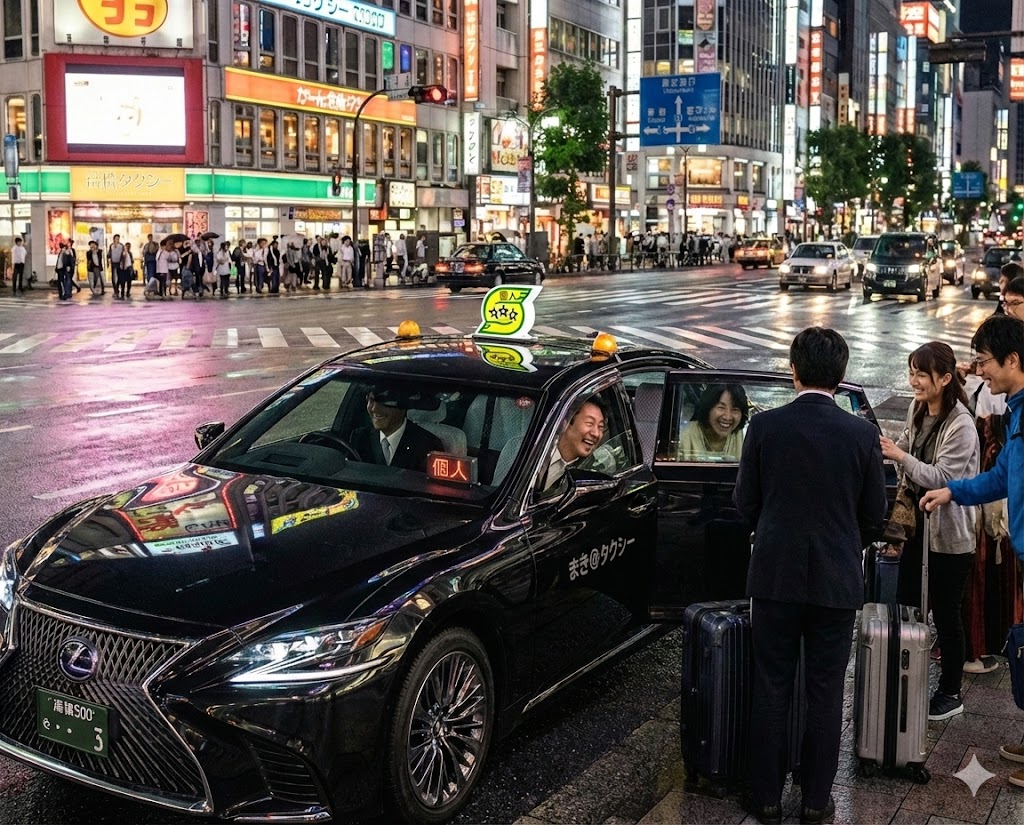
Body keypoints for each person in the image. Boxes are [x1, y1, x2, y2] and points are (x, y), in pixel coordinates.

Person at [734, 327, 888, 825]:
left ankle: (767, 798)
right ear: (841, 378)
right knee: (826, 692)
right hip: (837, 580)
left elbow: (745, 502)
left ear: (793, 370)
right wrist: (846, 545)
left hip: (775, 576)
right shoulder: (862, 434)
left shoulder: (765, 427)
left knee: (772, 685)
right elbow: (874, 514)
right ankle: (818, 801)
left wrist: (774, 532)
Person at [920, 314, 1024, 789]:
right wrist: (954, 493)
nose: (980, 371)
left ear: (1014, 360)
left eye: (985, 362)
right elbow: (1002, 477)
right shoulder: (1017, 410)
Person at [879, 342, 980, 720]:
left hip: (950, 535)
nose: (914, 381)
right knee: (907, 602)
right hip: (916, 529)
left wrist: (901, 457)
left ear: (945, 379)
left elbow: (943, 479)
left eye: (921, 374)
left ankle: (951, 692)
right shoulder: (917, 408)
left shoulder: (961, 424)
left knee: (947, 615)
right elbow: (906, 443)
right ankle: (909, 677)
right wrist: (890, 449)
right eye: (912, 372)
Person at [351, 388, 443, 472]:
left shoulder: (428, 445)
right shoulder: (359, 438)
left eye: (383, 402)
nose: (374, 408)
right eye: (370, 401)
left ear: (403, 407)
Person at [540, 397, 607, 491]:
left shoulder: (594, 469)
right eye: (589, 423)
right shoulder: (537, 453)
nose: (596, 433)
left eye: (600, 427)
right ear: (565, 424)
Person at [677, 384, 749, 461]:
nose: (728, 417)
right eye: (721, 408)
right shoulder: (685, 436)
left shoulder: (745, 437)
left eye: (735, 409)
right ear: (708, 409)